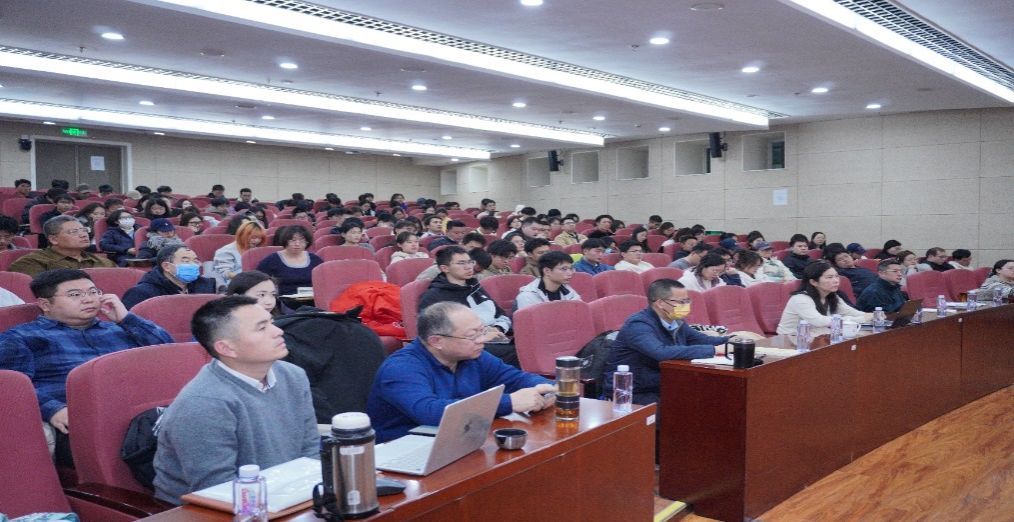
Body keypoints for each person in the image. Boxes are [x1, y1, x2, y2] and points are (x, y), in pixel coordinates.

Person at [153, 296, 319, 504]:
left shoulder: (293, 375)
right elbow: (215, 488)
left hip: (287, 494)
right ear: (226, 348)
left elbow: (310, 449)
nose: (278, 331)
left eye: (271, 322)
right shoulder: (203, 403)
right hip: (210, 509)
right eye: (262, 328)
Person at [0, 269, 172, 466]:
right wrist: (52, 409)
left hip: (142, 411)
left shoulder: (120, 328)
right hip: (80, 420)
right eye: (75, 295)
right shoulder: (20, 338)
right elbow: (12, 387)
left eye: (93, 292)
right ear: (45, 304)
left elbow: (169, 352)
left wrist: (126, 318)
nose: (89, 299)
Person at [366, 302, 554, 443]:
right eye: (472, 335)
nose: (482, 340)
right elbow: (430, 412)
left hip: (459, 439)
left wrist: (548, 389)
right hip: (405, 449)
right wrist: (509, 402)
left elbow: (516, 379)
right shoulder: (401, 368)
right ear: (436, 341)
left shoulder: (474, 355)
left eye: (482, 331)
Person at [603, 279, 729, 406]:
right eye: (681, 302)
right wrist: (714, 350)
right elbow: (661, 352)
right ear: (660, 303)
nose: (686, 305)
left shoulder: (676, 322)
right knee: (683, 408)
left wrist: (733, 341)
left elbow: (704, 340)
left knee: (711, 396)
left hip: (662, 383)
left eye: (687, 301)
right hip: (632, 390)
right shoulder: (638, 325)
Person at [417, 247, 516, 366]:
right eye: (461, 263)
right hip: (467, 346)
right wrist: (483, 335)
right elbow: (440, 334)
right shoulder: (434, 296)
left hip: (495, 338)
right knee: (518, 353)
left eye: (470, 262)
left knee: (526, 345)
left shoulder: (475, 288)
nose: (469, 267)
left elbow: (501, 315)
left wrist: (497, 328)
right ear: (445, 268)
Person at [776, 261, 871, 336]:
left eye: (836, 276)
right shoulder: (800, 299)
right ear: (813, 282)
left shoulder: (833, 296)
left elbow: (851, 312)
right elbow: (819, 321)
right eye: (829, 277)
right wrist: (859, 319)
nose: (836, 281)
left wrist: (871, 316)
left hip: (815, 336)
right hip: (790, 339)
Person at [9, 216, 115, 276]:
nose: (83, 235)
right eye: (74, 232)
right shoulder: (32, 262)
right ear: (54, 239)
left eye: (84, 230)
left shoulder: (103, 262)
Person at [123, 245, 217, 309]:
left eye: (195, 261)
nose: (194, 265)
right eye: (186, 261)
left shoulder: (207, 285)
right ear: (167, 266)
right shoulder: (142, 293)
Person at [257, 226, 323, 309]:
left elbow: (324, 281)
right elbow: (259, 280)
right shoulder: (272, 260)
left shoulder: (315, 259)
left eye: (302, 241)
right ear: (285, 241)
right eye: (293, 240)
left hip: (313, 301)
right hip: (284, 302)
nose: (297, 244)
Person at [515, 251, 581, 310]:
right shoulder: (528, 296)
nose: (570, 273)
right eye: (564, 269)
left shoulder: (568, 290)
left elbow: (578, 311)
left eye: (571, 269)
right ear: (547, 271)